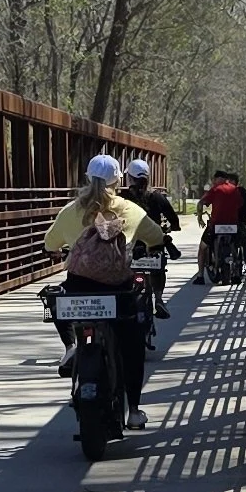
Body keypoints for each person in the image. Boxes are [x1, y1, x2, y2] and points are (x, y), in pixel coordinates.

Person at [45, 153, 160, 417]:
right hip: (118, 289)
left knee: (55, 299)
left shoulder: (70, 210)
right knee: (132, 345)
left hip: (78, 288)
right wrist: (157, 244)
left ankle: (72, 345)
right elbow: (156, 236)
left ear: (87, 177)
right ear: (118, 181)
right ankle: (132, 409)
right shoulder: (130, 209)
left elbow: (49, 244)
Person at [197, 165, 246, 278]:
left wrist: (199, 218)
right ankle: (240, 268)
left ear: (217, 179)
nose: (214, 182)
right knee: (240, 244)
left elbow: (200, 203)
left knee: (202, 248)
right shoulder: (235, 189)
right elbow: (239, 204)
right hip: (233, 225)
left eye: (214, 180)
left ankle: (200, 276)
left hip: (216, 225)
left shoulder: (215, 189)